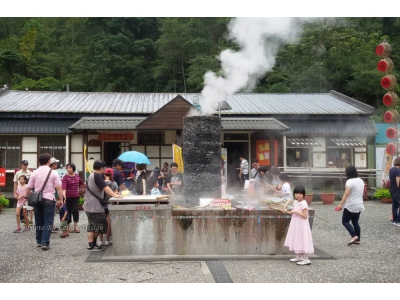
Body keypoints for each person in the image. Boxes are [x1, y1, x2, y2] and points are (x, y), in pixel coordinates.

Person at [26, 153, 63, 250]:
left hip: (37, 199)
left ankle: (39, 241)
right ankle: (45, 242)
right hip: (49, 198)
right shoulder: (53, 172)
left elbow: (29, 187)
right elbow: (58, 187)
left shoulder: (34, 172)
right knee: (48, 220)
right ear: (49, 161)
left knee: (38, 220)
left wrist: (26, 197)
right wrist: (61, 199)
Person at [84, 160, 122, 251]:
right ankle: (92, 244)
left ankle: (91, 244)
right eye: (104, 168)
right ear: (101, 168)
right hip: (95, 205)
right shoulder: (97, 176)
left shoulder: (90, 175)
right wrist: (114, 195)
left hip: (88, 204)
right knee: (102, 225)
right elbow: (105, 187)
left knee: (91, 225)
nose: (104, 170)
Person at [283, 186, 314, 265]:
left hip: (302, 224)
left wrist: (296, 211)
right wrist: (286, 211)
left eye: (300, 193)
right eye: (296, 193)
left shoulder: (304, 203)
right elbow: (293, 211)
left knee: (303, 239)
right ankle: (299, 256)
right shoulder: (296, 202)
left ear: (303, 194)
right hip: (296, 223)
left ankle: (306, 259)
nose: (298, 195)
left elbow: (305, 216)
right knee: (297, 238)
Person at [335, 165, 365, 245]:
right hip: (359, 204)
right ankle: (358, 239)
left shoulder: (349, 182)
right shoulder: (361, 180)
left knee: (345, 221)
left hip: (351, 204)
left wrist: (340, 204)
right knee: (355, 222)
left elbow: (346, 193)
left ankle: (354, 235)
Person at [97, 168, 118, 247]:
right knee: (109, 223)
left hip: (101, 205)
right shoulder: (114, 183)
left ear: (104, 174)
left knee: (101, 222)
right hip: (110, 204)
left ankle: (100, 240)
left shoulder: (101, 183)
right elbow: (116, 193)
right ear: (112, 175)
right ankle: (107, 240)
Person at [62, 163, 85, 233]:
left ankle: (75, 226)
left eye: (70, 168)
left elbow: (82, 182)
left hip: (76, 196)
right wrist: (64, 196)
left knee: (75, 210)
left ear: (73, 169)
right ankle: (68, 227)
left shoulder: (77, 176)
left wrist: (83, 188)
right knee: (68, 211)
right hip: (68, 197)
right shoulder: (65, 177)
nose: (68, 169)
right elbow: (64, 188)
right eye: (67, 168)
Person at [13, 160, 33, 226]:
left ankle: (30, 221)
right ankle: (22, 223)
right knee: (20, 211)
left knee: (29, 209)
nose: (25, 166)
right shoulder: (18, 173)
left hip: (28, 193)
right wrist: (15, 193)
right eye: (24, 164)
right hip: (19, 191)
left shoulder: (30, 172)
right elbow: (15, 183)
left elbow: (32, 183)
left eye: (26, 164)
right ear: (21, 165)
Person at [388, 157, 400, 226]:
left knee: (394, 206)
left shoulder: (391, 170)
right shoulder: (398, 170)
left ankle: (395, 220)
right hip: (397, 191)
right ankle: (398, 221)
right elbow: (398, 181)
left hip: (392, 189)